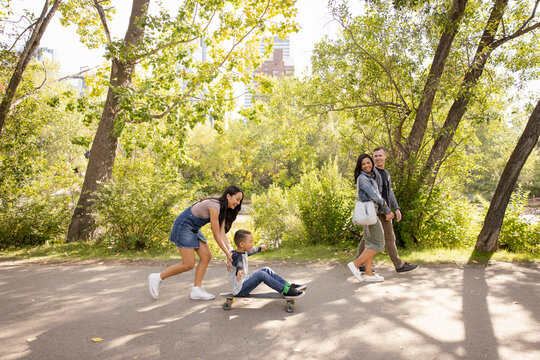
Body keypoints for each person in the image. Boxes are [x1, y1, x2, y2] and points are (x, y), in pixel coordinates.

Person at [148, 185, 243, 300]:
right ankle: (158, 277)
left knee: (206, 256)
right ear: (228, 196)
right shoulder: (215, 206)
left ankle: (196, 290)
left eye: (240, 201)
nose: (238, 203)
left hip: (193, 228)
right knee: (188, 264)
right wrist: (227, 254)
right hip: (183, 226)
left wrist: (231, 251)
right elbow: (216, 234)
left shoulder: (222, 209)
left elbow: (222, 232)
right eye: (237, 199)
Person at [356, 147, 419, 273]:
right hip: (379, 210)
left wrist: (396, 208)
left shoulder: (386, 173)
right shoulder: (372, 173)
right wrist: (386, 210)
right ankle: (398, 265)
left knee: (369, 238)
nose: (378, 158)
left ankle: (359, 264)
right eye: (376, 156)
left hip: (384, 209)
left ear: (385, 156)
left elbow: (389, 192)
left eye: (380, 155)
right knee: (388, 238)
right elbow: (375, 194)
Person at [347, 154, 393, 282]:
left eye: (368, 163)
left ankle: (369, 274)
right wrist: (386, 207)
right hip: (370, 214)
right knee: (379, 243)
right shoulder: (363, 178)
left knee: (370, 243)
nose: (367, 165)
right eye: (363, 164)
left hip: (369, 214)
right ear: (360, 167)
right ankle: (355, 264)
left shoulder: (369, 176)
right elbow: (374, 195)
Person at [229, 229, 306, 298]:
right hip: (239, 290)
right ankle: (285, 291)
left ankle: (288, 286)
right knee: (261, 274)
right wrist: (240, 269)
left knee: (266, 269)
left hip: (243, 282)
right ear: (242, 244)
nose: (253, 243)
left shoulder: (243, 252)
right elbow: (239, 263)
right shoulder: (236, 256)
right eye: (251, 242)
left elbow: (252, 251)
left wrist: (260, 248)